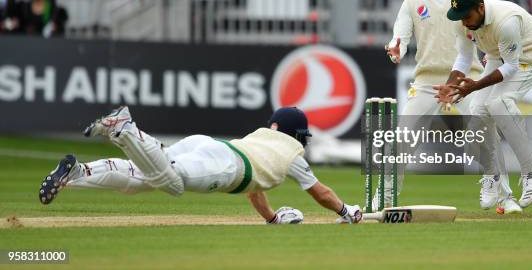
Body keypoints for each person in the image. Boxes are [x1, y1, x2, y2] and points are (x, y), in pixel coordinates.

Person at [38, 106, 363, 225]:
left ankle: (79, 173)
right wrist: (346, 211)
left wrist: (274, 218)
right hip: (225, 166)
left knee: (142, 178)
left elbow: (255, 191)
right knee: (172, 183)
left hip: (210, 146)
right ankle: (126, 129)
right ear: (297, 134)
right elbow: (319, 192)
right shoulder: (292, 152)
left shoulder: (263, 137)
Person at [384, 0, 521, 214]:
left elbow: (484, 27)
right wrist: (395, 48)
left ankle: (505, 197)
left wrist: (489, 54)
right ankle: (386, 196)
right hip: (426, 81)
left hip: (465, 79)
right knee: (403, 138)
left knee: (483, 137)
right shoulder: (413, 1)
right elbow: (399, 35)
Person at [434, 0, 532, 209]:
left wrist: (475, 85)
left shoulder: (506, 21)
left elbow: (511, 66)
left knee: (499, 104)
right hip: (500, 55)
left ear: (480, 7)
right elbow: (464, 57)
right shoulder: (463, 21)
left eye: (467, 16)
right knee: (477, 112)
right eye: (459, 17)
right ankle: (493, 177)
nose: (464, 23)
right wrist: (451, 85)